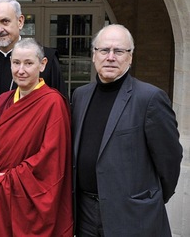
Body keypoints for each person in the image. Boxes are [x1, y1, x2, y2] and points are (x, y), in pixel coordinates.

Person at [71, 24, 183, 236]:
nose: (110, 57)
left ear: (130, 57)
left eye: (119, 51)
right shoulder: (80, 96)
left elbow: (169, 159)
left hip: (132, 215)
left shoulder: (149, 98)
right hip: (85, 213)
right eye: (104, 50)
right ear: (94, 55)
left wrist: (150, 199)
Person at [0, 38, 73, 236]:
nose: (21, 70)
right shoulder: (4, 100)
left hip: (30, 195)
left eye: (28, 63)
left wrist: (9, 178)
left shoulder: (53, 102)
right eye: (16, 63)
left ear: (42, 64)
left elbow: (50, 158)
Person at [0, 0, 68, 151]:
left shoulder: (45, 59)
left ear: (20, 21)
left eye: (5, 21)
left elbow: (60, 116)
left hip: (33, 154)